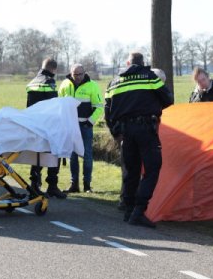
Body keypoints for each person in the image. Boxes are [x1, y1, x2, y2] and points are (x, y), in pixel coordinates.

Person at [104, 52, 174, 228]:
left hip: (125, 132)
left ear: (128, 63)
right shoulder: (149, 77)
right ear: (143, 63)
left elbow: (108, 112)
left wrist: (116, 133)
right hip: (145, 129)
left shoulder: (114, 82)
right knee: (152, 168)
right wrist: (152, 106)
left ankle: (128, 211)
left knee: (130, 171)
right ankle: (139, 211)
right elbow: (168, 99)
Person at [58, 63, 104, 193]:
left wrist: (90, 122)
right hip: (70, 127)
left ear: (85, 73)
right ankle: (74, 185)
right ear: (71, 73)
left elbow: (99, 107)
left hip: (85, 126)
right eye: (75, 74)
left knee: (87, 155)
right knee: (72, 156)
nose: (78, 77)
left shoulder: (93, 86)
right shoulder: (64, 85)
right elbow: (59, 106)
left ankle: (87, 185)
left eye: (80, 74)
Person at [26, 57, 65, 199]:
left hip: (34, 124)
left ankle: (34, 185)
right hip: (48, 125)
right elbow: (53, 105)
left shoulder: (32, 81)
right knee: (55, 153)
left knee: (37, 154)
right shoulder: (49, 81)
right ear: (54, 69)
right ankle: (52, 186)